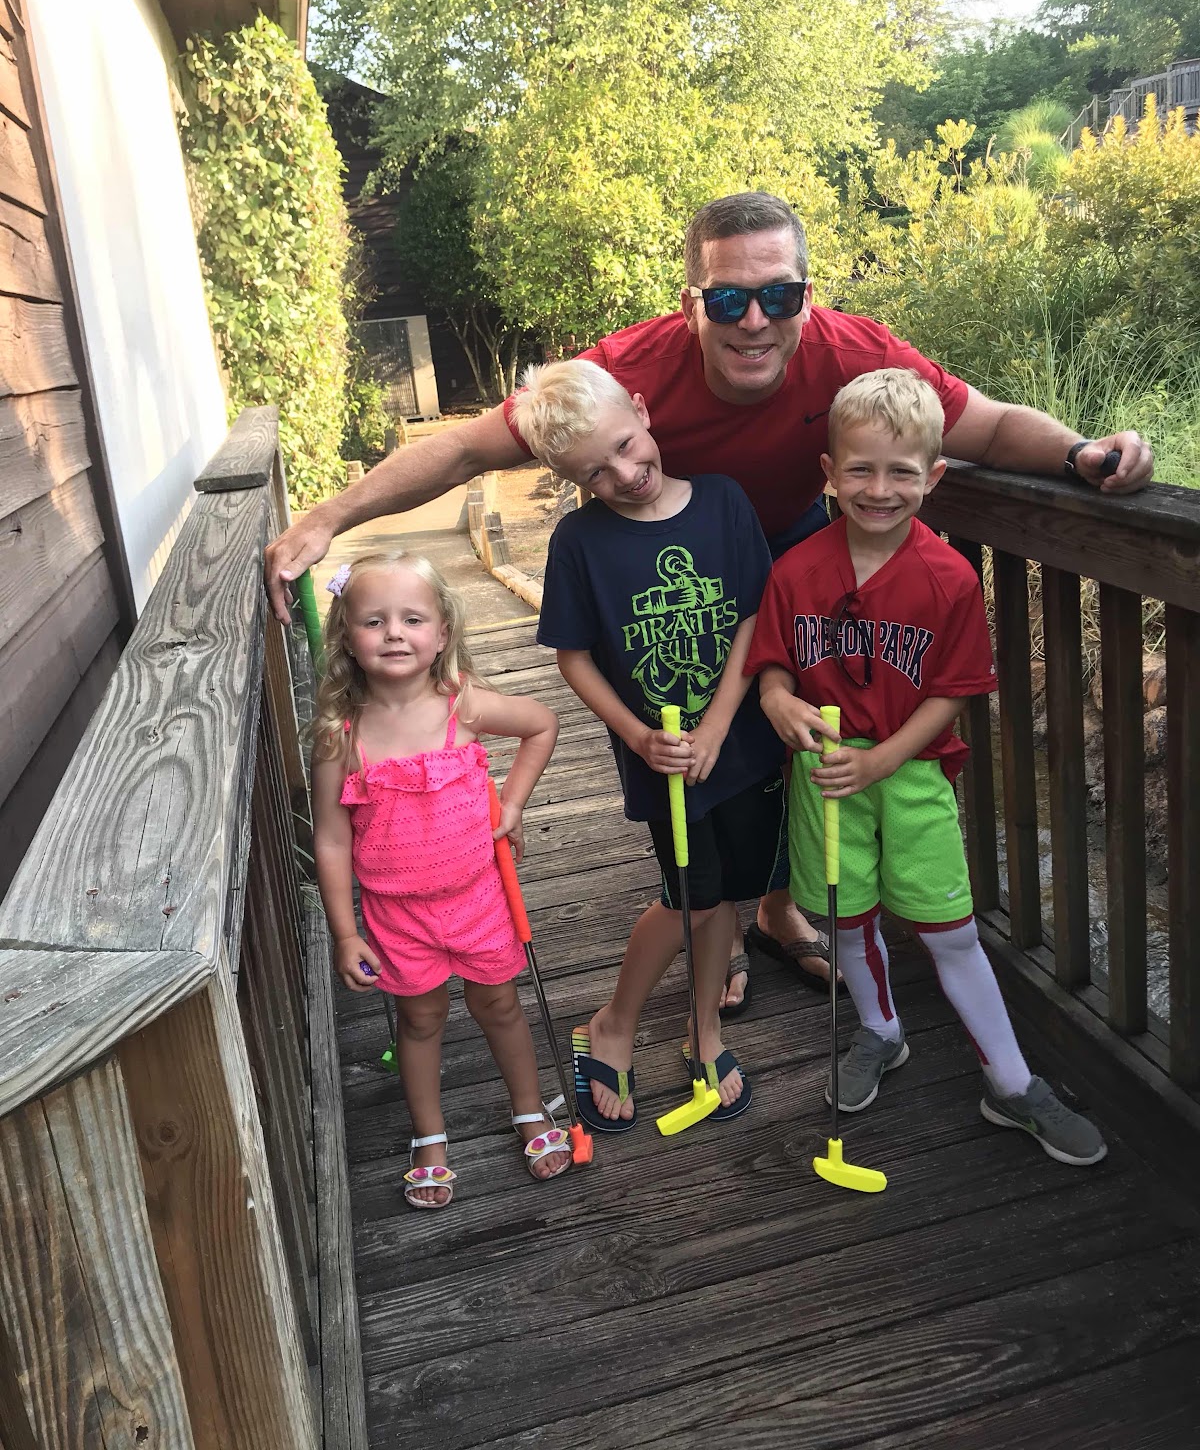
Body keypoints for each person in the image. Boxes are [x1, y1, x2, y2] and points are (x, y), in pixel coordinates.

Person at [266, 191, 1154, 1005]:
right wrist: (328, 518)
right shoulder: (628, 372)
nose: (755, 320)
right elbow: (464, 449)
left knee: (788, 727)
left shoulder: (855, 353)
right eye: (728, 299)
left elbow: (985, 426)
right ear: (691, 303)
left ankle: (774, 908)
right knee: (692, 734)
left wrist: (1079, 452)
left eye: (779, 295)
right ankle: (715, 927)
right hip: (677, 562)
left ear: (807, 295)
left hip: (791, 547)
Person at [744, 369, 1107, 1164]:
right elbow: (772, 663)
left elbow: (952, 693)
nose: (879, 490)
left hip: (908, 775)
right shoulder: (795, 569)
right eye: (860, 470)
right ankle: (881, 1031)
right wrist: (775, 698)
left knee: (951, 932)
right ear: (829, 473)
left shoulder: (949, 578)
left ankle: (1011, 1084)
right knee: (846, 917)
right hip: (823, 778)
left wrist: (882, 760)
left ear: (933, 476)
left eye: (901, 472)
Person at [512, 358, 784, 1128]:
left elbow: (752, 618)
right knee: (688, 898)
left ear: (642, 409)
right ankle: (614, 1023)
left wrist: (719, 723)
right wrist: (636, 735)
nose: (626, 475)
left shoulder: (724, 503)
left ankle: (704, 1032)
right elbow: (573, 657)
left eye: (627, 446)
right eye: (595, 474)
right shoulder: (579, 542)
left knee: (725, 896)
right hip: (662, 764)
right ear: (570, 480)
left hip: (740, 744)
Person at [311, 547, 570, 1208]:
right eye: (374, 621)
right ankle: (429, 1136)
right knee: (420, 1019)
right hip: (397, 915)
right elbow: (332, 839)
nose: (394, 633)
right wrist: (345, 933)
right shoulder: (341, 736)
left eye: (412, 619)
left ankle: (529, 1109)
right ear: (346, 635)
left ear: (442, 632)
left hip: (479, 899)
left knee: (499, 1005)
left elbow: (541, 725)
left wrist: (511, 806)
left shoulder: (463, 707)